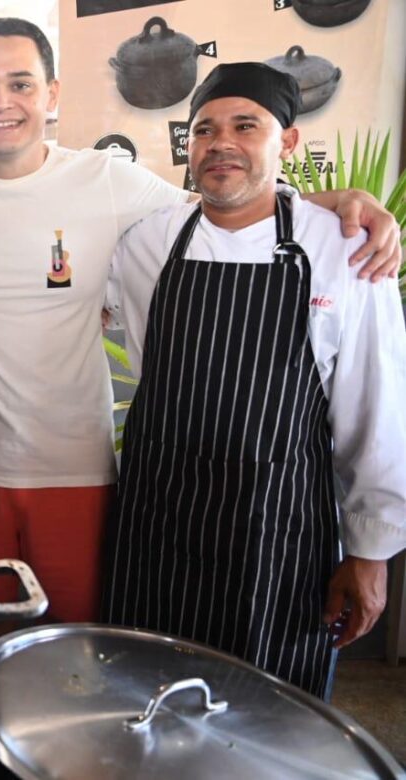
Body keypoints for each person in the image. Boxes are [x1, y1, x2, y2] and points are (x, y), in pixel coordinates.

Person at [0, 18, 400, 625]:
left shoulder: (107, 180)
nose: (1, 103)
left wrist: (333, 203)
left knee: (76, 649)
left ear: (52, 94)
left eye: (20, 84)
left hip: (76, 476)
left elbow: (225, 206)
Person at [102, 63, 406, 697]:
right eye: (205, 130)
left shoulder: (345, 250)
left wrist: (371, 551)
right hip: (158, 525)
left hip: (277, 534)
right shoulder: (146, 243)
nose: (221, 144)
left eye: (246, 126)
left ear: (287, 142)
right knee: (147, 698)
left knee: (268, 713)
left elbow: (377, 411)